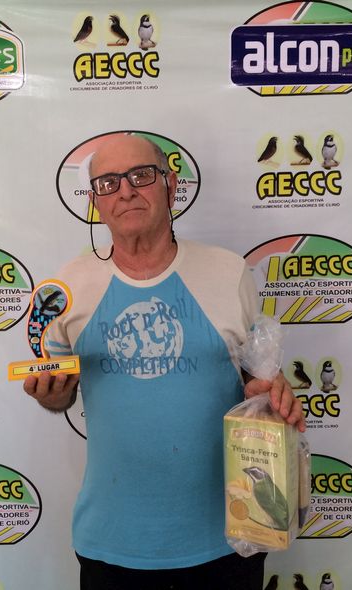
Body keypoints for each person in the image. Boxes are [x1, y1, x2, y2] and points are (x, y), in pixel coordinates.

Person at [23, 133, 305, 590]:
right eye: (109, 183)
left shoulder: (229, 272)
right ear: (95, 203)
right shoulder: (67, 288)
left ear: (171, 186)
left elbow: (258, 381)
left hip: (231, 538)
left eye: (141, 176)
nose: (125, 191)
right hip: (112, 543)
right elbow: (59, 392)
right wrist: (52, 396)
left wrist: (273, 393)